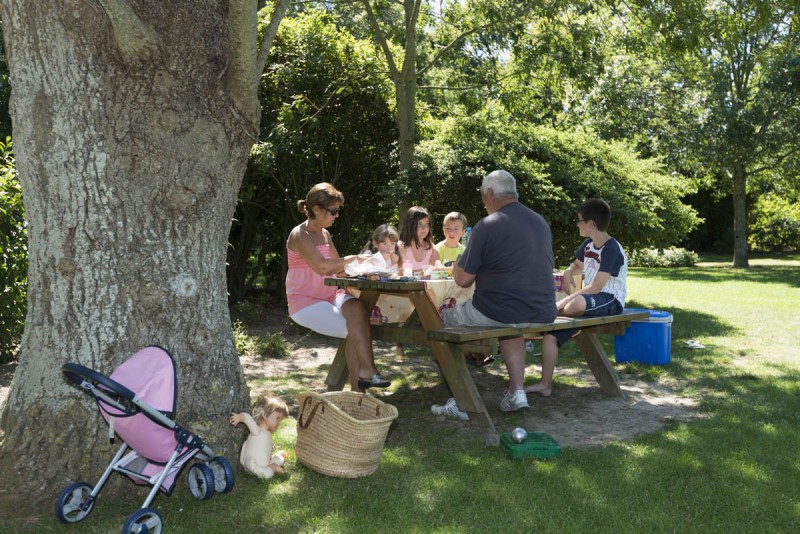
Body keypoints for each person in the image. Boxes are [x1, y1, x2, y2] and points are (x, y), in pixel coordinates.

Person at [444, 170, 557, 412]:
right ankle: (517, 393)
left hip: (499, 309)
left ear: (489, 194)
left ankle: (458, 396)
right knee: (509, 324)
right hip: (543, 310)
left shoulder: (487, 225)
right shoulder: (539, 221)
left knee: (439, 318)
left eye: (483, 196)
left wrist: (455, 268)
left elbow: (463, 279)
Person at [286, 183, 391, 391]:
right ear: (316, 210)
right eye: (333, 211)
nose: (337, 216)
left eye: (338, 211)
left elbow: (339, 269)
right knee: (355, 330)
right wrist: (353, 259)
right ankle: (359, 388)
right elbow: (323, 267)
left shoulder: (325, 234)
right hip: (305, 302)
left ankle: (365, 376)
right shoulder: (299, 235)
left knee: (358, 309)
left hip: (331, 295)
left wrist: (371, 269)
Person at [526, 198, 628, 397]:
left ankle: (547, 311)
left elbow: (596, 287)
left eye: (580, 221)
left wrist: (559, 305)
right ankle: (545, 385)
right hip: (587, 302)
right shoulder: (588, 245)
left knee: (576, 303)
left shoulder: (612, 249)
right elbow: (577, 266)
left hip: (609, 299)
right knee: (550, 335)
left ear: (592, 224)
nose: (577, 224)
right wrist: (567, 272)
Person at [230, 394, 290, 480]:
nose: (278, 424)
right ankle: (273, 467)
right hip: (253, 465)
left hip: (265, 464)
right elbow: (248, 418)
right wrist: (240, 417)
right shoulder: (257, 431)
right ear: (265, 414)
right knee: (267, 475)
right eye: (277, 418)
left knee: (272, 463)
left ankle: (278, 457)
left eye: (280, 420)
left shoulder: (267, 433)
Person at [399, 206, 441, 271]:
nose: (424, 228)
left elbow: (438, 268)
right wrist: (428, 271)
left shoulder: (431, 248)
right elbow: (401, 271)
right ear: (410, 225)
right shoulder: (401, 246)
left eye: (427, 223)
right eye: (419, 224)